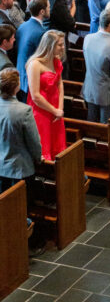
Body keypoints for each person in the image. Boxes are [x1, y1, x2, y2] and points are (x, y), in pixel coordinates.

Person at [0, 67, 42, 197]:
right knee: (21, 208)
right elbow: (34, 141)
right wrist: (38, 158)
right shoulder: (24, 111)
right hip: (19, 169)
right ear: (16, 86)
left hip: (1, 167)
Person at [26, 30, 66, 160]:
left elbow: (60, 84)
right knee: (44, 145)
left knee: (57, 143)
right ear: (50, 45)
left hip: (55, 110)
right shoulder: (35, 64)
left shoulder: (56, 60)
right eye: (60, 45)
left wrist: (59, 109)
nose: (63, 47)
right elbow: (35, 96)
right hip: (41, 110)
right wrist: (54, 110)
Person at [82, 7, 110, 121]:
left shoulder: (87, 38)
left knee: (92, 125)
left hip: (90, 89)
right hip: (107, 93)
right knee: (106, 129)